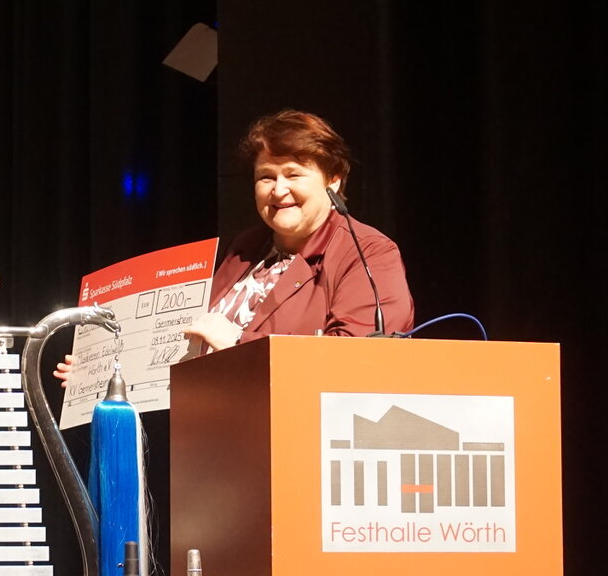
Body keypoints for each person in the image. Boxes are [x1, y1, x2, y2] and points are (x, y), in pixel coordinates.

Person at [54, 109, 414, 382]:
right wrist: (110, 368)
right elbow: (187, 336)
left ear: (332, 182)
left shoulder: (367, 252)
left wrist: (240, 343)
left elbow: (362, 361)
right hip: (215, 431)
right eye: (266, 177)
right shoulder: (248, 246)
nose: (278, 190)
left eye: (294, 174)